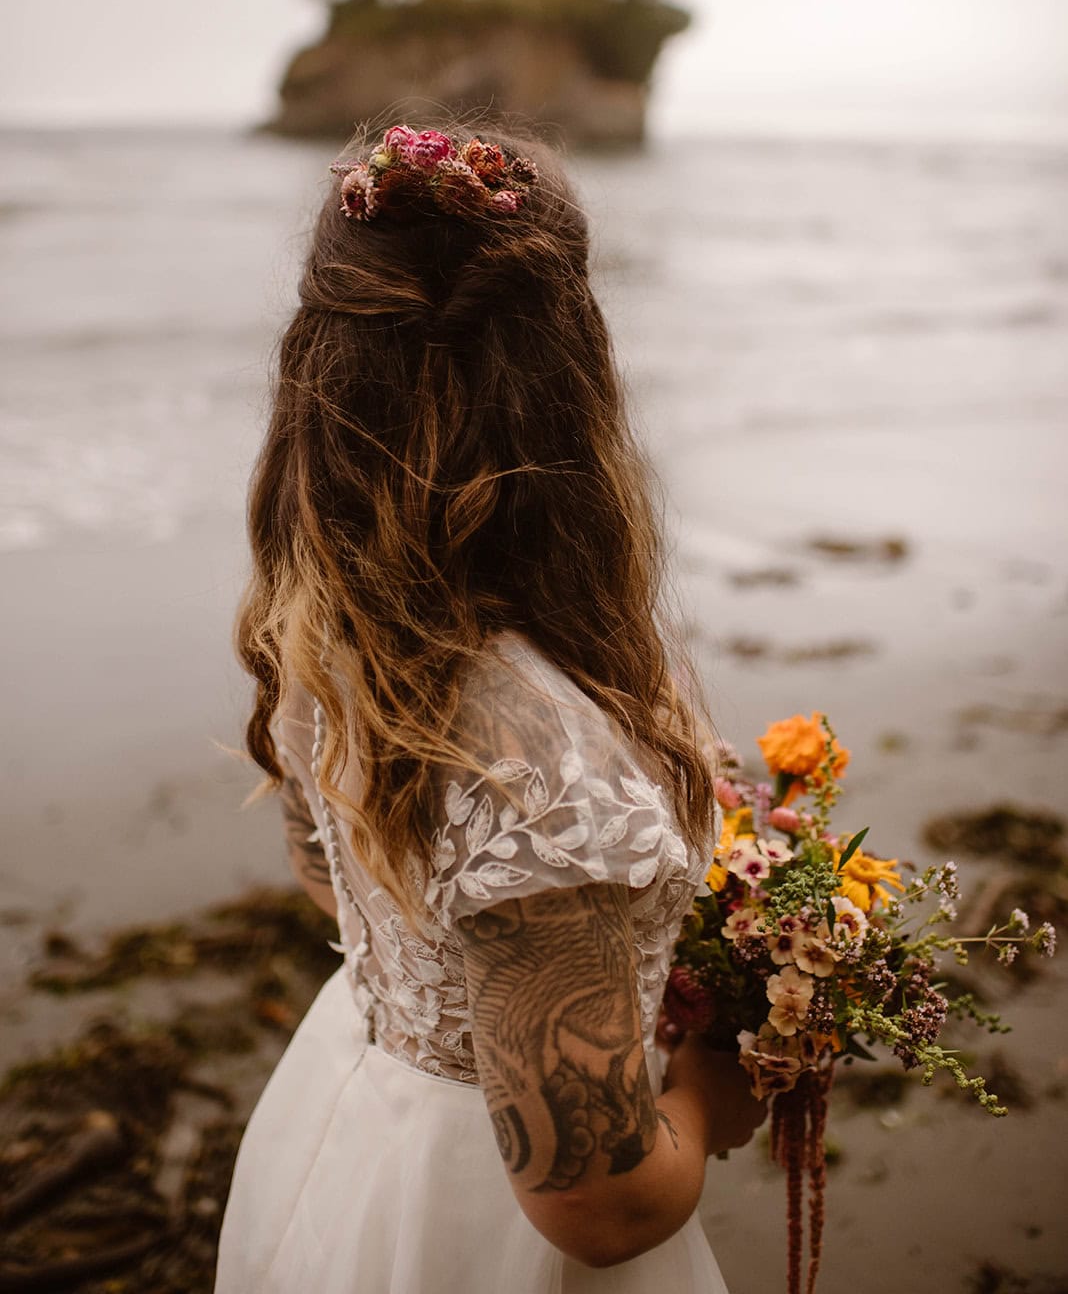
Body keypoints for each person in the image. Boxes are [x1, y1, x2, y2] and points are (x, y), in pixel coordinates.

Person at [214, 123, 765, 1293]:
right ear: (570, 376)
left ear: (321, 371)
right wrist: (712, 1093)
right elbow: (601, 1207)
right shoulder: (543, 762)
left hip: (362, 1123)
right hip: (477, 1230)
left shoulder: (332, 623)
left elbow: (332, 867)